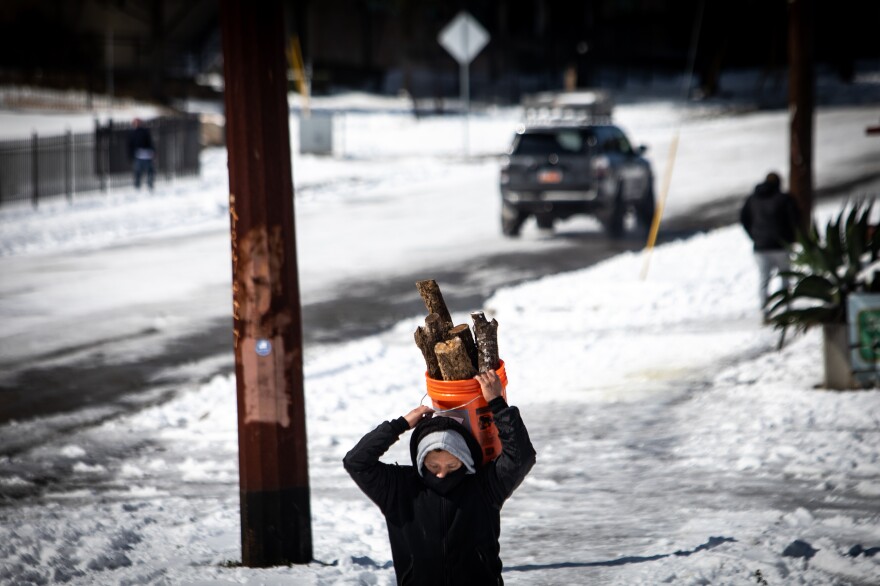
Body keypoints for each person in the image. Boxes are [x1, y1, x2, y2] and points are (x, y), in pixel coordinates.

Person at [343, 370, 536, 585]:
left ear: (465, 460)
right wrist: (400, 424)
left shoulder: (484, 486)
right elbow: (356, 461)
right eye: (433, 465)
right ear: (420, 458)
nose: (442, 473)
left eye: (452, 465)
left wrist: (497, 404)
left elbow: (521, 458)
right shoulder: (398, 488)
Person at [740, 171, 801, 320]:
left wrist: (754, 236)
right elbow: (795, 219)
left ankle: (764, 310)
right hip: (781, 246)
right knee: (785, 278)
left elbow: (744, 219)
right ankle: (787, 310)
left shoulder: (752, 199)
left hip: (760, 247)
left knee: (764, 279)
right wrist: (792, 238)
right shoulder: (784, 199)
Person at [128, 118, 155, 191]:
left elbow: (150, 142)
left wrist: (152, 151)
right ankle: (137, 186)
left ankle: (150, 184)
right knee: (138, 172)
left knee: (149, 170)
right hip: (138, 155)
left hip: (146, 154)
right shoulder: (132, 133)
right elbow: (130, 145)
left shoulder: (145, 131)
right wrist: (131, 154)